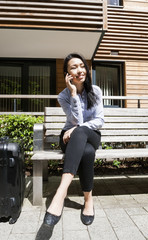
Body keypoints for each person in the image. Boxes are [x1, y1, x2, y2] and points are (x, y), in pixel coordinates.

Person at [43, 53, 104, 226]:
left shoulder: (96, 91)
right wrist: (73, 93)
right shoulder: (63, 96)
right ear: (67, 74)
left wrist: (78, 129)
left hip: (90, 135)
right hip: (69, 138)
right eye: (73, 67)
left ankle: (60, 194)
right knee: (87, 152)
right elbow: (76, 120)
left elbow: (99, 121)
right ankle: (88, 201)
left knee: (81, 132)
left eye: (82, 66)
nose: (79, 70)